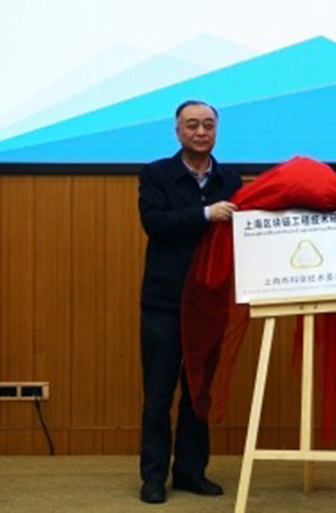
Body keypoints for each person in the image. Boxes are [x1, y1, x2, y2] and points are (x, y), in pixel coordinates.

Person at [138, 100, 242, 504]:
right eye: (192, 125)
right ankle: (153, 476)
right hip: (164, 302)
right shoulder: (156, 174)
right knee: (158, 396)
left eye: (208, 125)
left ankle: (190, 472)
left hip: (209, 302)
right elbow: (155, 223)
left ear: (217, 130)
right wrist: (205, 214)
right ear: (177, 131)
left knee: (199, 394)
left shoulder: (230, 179)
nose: (201, 132)